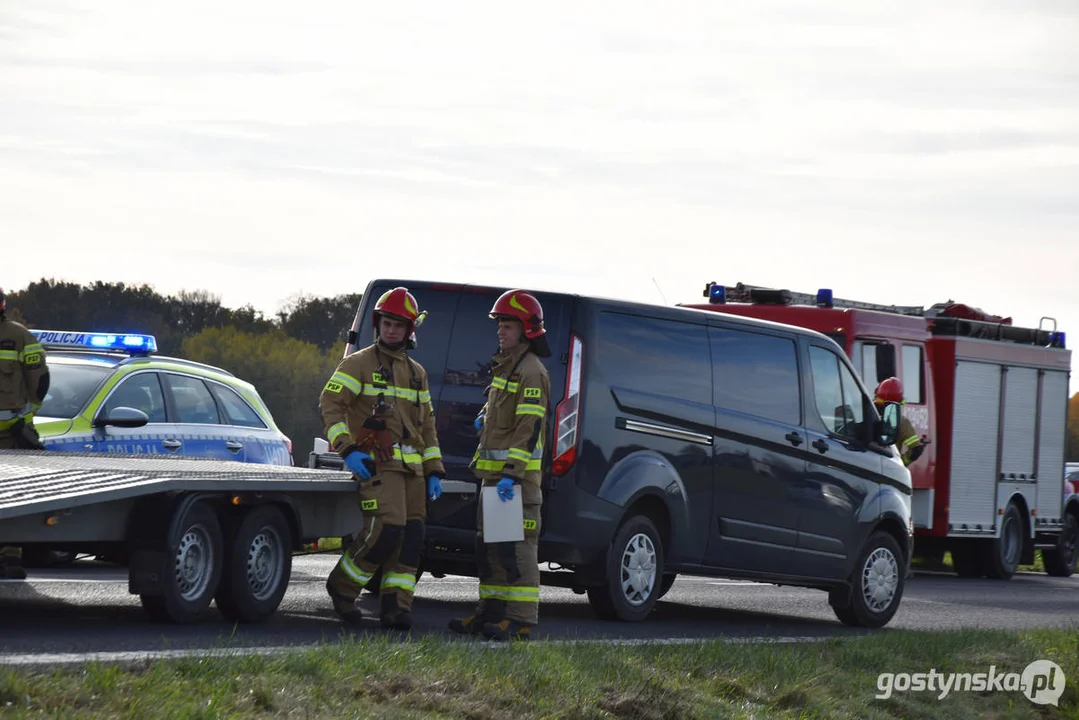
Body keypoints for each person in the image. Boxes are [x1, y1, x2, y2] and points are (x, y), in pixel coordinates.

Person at [319, 287, 445, 629]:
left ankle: (396, 608)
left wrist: (434, 470)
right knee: (385, 532)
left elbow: (428, 425)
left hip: (414, 471)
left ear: (409, 330)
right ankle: (342, 589)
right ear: (378, 324)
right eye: (387, 323)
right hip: (377, 465)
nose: (391, 330)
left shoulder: (417, 373)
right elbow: (330, 405)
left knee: (412, 537)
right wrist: (347, 449)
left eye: (398, 325)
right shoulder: (357, 363)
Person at [449, 289, 551, 641]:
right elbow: (501, 412)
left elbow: (528, 427)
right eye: (500, 325)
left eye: (508, 325)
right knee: (490, 547)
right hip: (494, 478)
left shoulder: (531, 371)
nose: (501, 331)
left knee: (515, 550)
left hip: (514, 481)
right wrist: (483, 417)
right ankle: (489, 613)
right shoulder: (507, 366)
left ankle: (520, 620)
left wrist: (511, 475)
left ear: (527, 330)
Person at [0, 287, 50, 580]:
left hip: (10, 436)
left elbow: (39, 383)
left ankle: (8, 557)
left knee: (9, 497)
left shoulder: (19, 337)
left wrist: (25, 420)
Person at [874, 377, 925, 466]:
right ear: (900, 402)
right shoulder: (902, 422)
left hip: (867, 464)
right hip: (888, 468)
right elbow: (916, 450)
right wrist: (901, 463)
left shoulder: (865, 415)